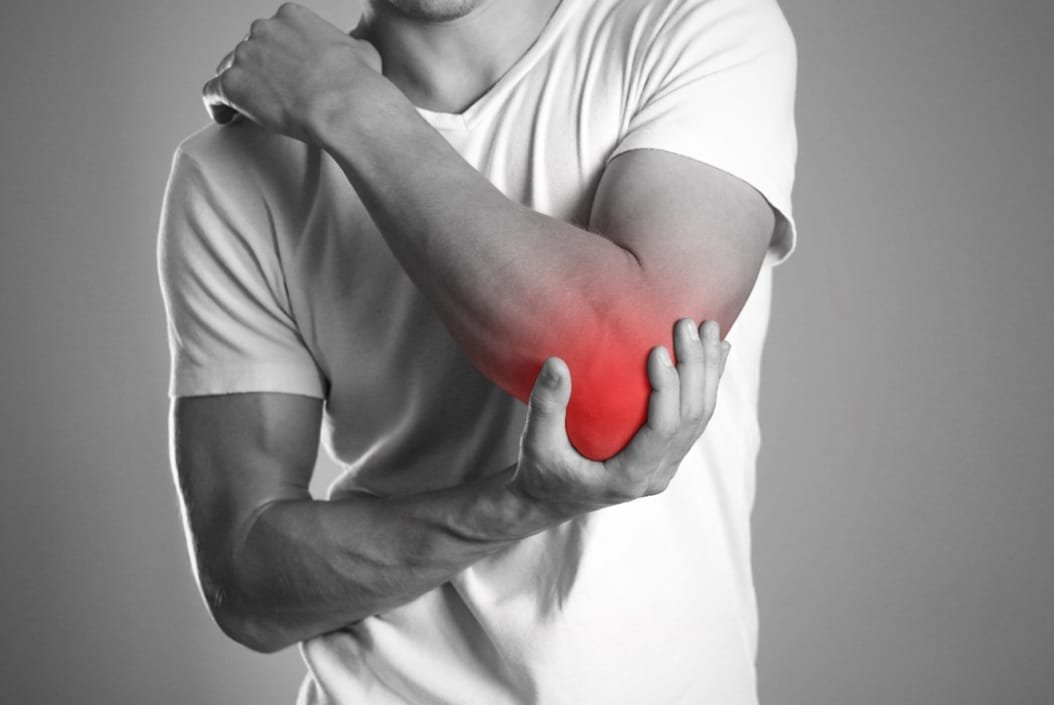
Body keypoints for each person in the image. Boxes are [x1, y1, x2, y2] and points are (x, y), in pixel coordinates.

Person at [156, 0, 797, 701]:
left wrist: (350, 107)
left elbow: (622, 385)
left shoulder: (691, 26)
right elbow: (247, 582)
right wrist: (516, 505)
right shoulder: (231, 170)